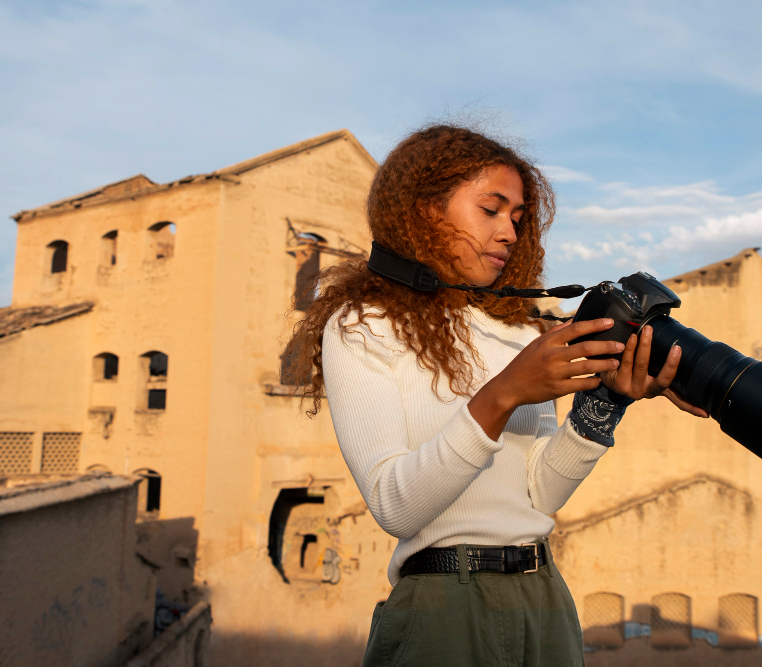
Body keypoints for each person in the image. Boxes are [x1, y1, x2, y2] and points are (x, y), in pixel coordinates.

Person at [292, 125, 707, 667]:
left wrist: (603, 407)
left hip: (544, 598)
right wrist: (506, 391)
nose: (510, 232)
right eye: (491, 210)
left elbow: (538, 496)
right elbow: (395, 505)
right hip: (442, 608)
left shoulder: (518, 331)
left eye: (517, 217)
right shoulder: (363, 324)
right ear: (423, 211)